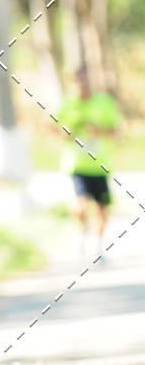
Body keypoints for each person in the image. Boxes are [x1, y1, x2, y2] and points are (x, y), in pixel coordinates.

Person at [58, 68, 120, 255]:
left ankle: (99, 247)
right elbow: (51, 128)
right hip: (77, 165)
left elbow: (116, 131)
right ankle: (83, 232)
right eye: (79, 81)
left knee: (102, 208)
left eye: (86, 80)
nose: (83, 85)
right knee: (80, 205)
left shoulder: (105, 102)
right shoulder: (68, 104)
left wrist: (98, 131)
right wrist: (67, 135)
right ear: (74, 82)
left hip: (100, 165)